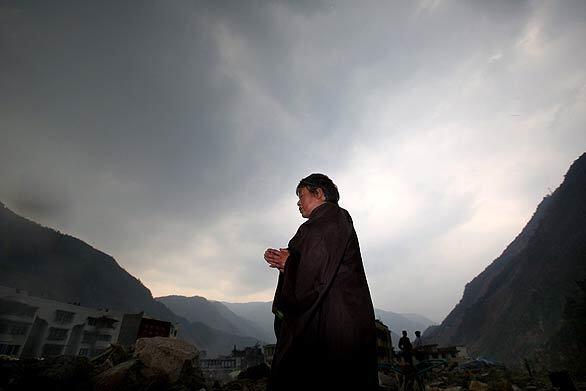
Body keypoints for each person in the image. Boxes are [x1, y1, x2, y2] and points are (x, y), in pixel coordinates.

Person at [264, 173, 377, 391]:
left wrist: (291, 265)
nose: (298, 202)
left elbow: (316, 272)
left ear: (319, 193)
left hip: (335, 320)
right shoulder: (326, 222)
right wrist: (288, 261)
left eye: (301, 195)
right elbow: (314, 263)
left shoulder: (330, 219)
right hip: (333, 314)